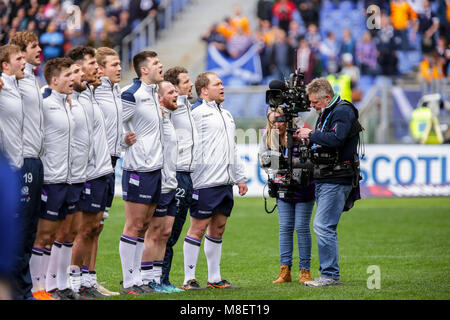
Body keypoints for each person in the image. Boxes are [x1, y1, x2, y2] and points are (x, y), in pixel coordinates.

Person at [181, 72, 248, 290]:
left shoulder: (227, 115)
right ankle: (189, 279)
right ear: (203, 91)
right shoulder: (196, 113)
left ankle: (215, 278)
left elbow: (233, 148)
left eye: (221, 83)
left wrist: (240, 178)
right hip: (204, 182)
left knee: (218, 228)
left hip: (225, 183)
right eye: (217, 84)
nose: (222, 87)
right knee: (197, 229)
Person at [296, 78, 362, 287]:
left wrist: (312, 134)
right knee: (324, 225)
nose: (312, 106)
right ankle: (328, 274)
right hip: (326, 176)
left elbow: (337, 139)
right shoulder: (327, 112)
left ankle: (330, 275)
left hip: (336, 176)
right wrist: (310, 139)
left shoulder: (342, 111)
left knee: (323, 226)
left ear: (326, 97)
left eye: (315, 102)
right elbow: (327, 139)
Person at [67, 46, 119, 298]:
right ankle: (74, 283)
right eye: (91, 63)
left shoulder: (90, 94)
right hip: (87, 174)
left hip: (103, 171)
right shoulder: (73, 99)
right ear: (76, 69)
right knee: (81, 229)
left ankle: (87, 281)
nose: (97, 68)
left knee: (94, 228)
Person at [28, 57, 75, 299]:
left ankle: (44, 287)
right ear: (54, 80)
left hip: (65, 179)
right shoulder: (44, 103)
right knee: (43, 235)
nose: (72, 79)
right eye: (68, 76)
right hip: (49, 180)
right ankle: (35, 289)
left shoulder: (66, 103)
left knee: (53, 236)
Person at [119, 50, 164, 295]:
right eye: (156, 63)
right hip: (138, 169)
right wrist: (124, 142)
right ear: (143, 69)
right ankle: (129, 282)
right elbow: (115, 125)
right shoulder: (131, 94)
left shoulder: (153, 93)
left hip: (154, 169)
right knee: (134, 224)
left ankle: (137, 279)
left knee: (144, 225)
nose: (161, 66)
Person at [259, 107, 315, 284]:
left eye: (280, 119)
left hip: (304, 188)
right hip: (282, 187)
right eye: (272, 120)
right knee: (285, 228)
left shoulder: (300, 133)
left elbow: (311, 160)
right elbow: (268, 165)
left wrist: (292, 160)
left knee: (302, 228)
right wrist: (275, 141)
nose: (277, 124)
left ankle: (304, 271)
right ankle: (285, 271)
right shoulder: (268, 136)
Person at [140, 81, 179, 293]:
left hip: (171, 183)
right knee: (153, 233)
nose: (177, 94)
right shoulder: (156, 120)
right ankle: (146, 279)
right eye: (171, 92)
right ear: (159, 97)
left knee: (165, 233)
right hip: (160, 183)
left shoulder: (168, 118)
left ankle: (158, 279)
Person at [162, 66, 198, 292]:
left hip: (187, 175)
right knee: (168, 231)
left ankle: (159, 278)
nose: (191, 84)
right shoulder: (171, 110)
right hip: (176, 173)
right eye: (186, 82)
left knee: (173, 232)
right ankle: (158, 278)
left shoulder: (188, 108)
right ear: (174, 87)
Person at [0, 43, 28, 299]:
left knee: (19, 235)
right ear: (5, 65)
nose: (25, 62)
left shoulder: (18, 87)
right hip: (5, 169)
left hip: (16, 169)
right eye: (19, 58)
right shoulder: (2, 84)